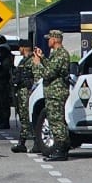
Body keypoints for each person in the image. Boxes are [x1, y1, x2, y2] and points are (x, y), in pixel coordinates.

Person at [40, 31, 73, 161]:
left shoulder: (61, 54)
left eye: (49, 39)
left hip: (56, 93)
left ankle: (61, 147)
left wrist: (38, 64)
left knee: (56, 120)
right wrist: (43, 58)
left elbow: (48, 74)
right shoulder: (57, 54)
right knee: (56, 119)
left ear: (55, 39)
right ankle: (61, 147)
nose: (48, 41)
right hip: (54, 92)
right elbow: (51, 68)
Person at [10, 39, 37, 152]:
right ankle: (22, 143)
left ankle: (36, 143)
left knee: (28, 118)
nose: (19, 49)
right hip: (21, 91)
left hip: (28, 92)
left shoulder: (33, 60)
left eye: (20, 47)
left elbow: (36, 76)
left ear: (24, 47)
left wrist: (32, 91)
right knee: (24, 118)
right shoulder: (23, 61)